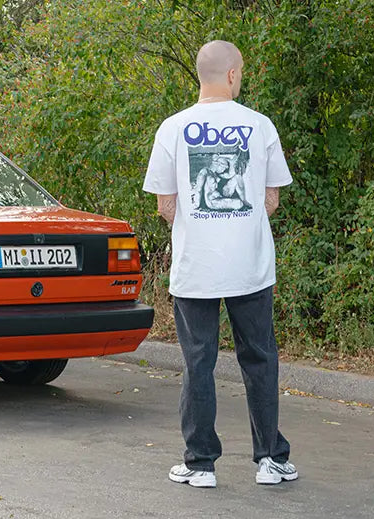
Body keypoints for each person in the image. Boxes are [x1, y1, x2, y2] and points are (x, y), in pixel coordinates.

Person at [142, 40, 295, 488]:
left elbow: (165, 205)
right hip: (249, 264)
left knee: (198, 362)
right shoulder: (259, 126)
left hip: (196, 267)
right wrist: (239, 222)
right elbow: (270, 199)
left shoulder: (172, 128)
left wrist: (203, 224)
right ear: (231, 75)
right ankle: (270, 460)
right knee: (260, 359)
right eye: (241, 71)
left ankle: (199, 464)